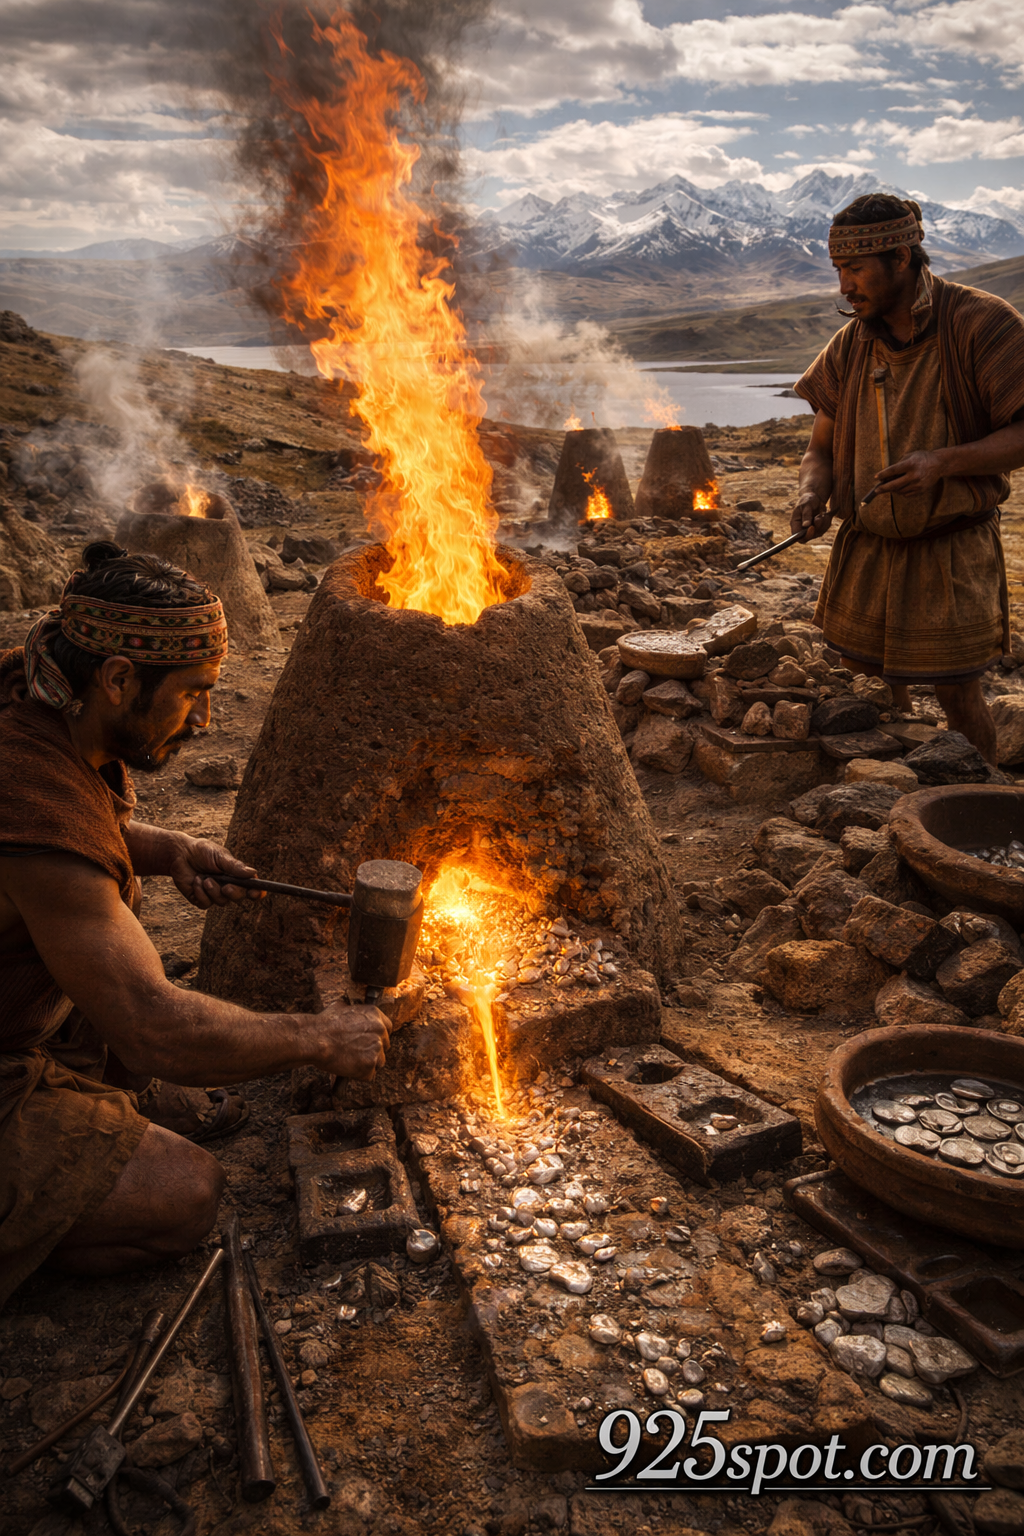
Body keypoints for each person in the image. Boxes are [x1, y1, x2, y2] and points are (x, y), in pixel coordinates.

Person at [0, 542, 390, 1305]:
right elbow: (155, 1027)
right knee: (186, 1196)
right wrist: (319, 1037)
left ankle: (92, 1104)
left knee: (108, 937)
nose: (207, 721)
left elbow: (73, 847)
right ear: (118, 678)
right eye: (193, 694)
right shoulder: (29, 798)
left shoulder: (39, 687)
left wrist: (164, 849)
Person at [791, 193, 1024, 763]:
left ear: (901, 257)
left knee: (959, 693)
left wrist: (942, 462)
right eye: (838, 271)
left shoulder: (981, 323)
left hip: (951, 549)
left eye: (856, 269)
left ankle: (980, 798)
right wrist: (810, 493)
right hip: (867, 549)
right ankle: (884, 798)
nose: (845, 287)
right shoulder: (850, 344)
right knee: (870, 689)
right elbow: (820, 449)